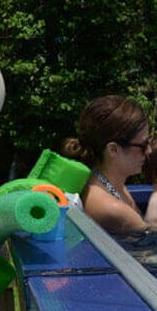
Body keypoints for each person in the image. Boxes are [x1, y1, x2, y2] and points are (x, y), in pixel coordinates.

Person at [61, 95, 150, 234]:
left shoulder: (110, 186)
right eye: (143, 145)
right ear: (113, 149)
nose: (149, 151)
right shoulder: (114, 209)